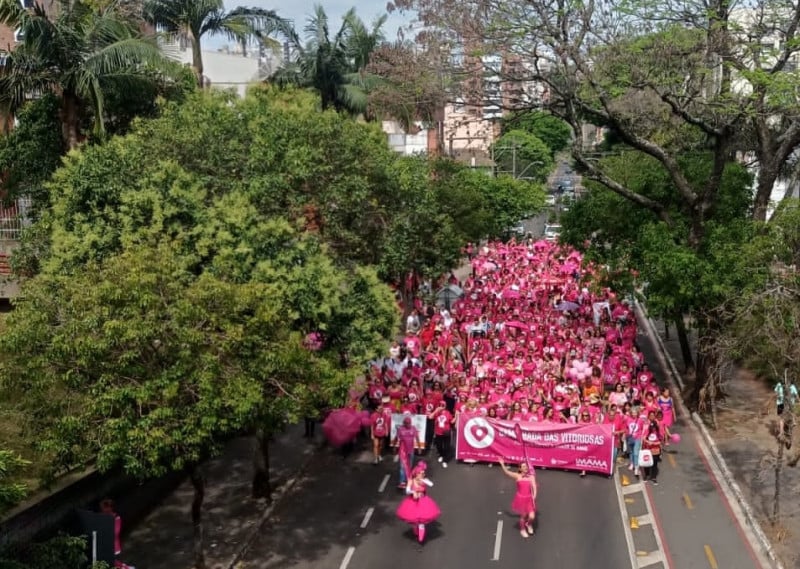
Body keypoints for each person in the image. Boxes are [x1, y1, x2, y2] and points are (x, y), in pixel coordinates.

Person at [396, 461, 441, 544]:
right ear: (416, 473)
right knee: (415, 519)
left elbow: (431, 484)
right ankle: (416, 528)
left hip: (423, 502)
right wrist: (413, 492)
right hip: (413, 502)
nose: (422, 475)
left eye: (423, 473)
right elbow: (407, 491)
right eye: (421, 473)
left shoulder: (424, 480)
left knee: (422, 522)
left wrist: (424, 480)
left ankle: (421, 538)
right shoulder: (411, 481)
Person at [498, 458, 538, 538]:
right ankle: (522, 530)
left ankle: (528, 524)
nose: (525, 468)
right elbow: (507, 472)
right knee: (523, 516)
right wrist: (502, 464)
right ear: (520, 468)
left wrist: (534, 496)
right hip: (521, 499)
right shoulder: (517, 476)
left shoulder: (531, 476)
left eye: (526, 466)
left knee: (532, 516)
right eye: (523, 466)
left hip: (529, 499)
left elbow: (534, 487)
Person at [100, 499, 136, 569]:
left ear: (109, 508)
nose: (102, 510)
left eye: (104, 508)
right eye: (102, 508)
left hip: (114, 548)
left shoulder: (116, 518)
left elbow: (115, 532)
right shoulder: (102, 518)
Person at [393, 413, 421, 488]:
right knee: (402, 467)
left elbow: (417, 438)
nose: (409, 424)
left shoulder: (413, 428)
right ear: (404, 423)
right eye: (407, 423)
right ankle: (402, 482)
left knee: (410, 466)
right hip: (403, 451)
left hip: (411, 450)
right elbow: (396, 438)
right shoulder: (400, 429)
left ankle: (408, 479)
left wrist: (419, 448)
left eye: (410, 423)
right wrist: (394, 446)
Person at [641, 420, 663, 485]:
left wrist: (653, 443)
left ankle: (653, 477)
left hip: (656, 451)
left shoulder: (658, 432)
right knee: (646, 464)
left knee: (654, 465)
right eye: (651, 427)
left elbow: (660, 442)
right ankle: (647, 475)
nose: (652, 428)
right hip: (648, 451)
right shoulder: (648, 431)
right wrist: (647, 442)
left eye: (653, 427)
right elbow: (644, 438)